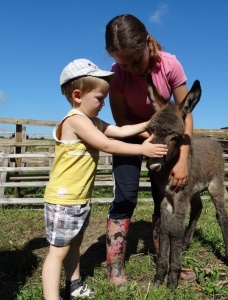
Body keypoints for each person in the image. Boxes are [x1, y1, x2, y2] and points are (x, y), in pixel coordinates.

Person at [41, 58, 168, 300]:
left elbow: (119, 131)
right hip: (63, 200)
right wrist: (142, 150)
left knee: (74, 246)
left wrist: (149, 123)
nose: (103, 104)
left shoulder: (93, 122)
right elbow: (108, 144)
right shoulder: (75, 121)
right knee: (57, 252)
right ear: (78, 95)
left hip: (79, 199)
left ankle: (74, 283)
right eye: (99, 99)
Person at [105, 14, 196, 287]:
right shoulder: (117, 74)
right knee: (126, 195)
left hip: (167, 139)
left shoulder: (170, 65)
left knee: (164, 198)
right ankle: (115, 266)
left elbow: (186, 115)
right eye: (124, 64)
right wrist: (147, 142)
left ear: (147, 42)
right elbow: (122, 120)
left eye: (136, 61)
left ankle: (165, 261)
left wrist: (182, 158)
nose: (131, 69)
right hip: (132, 136)